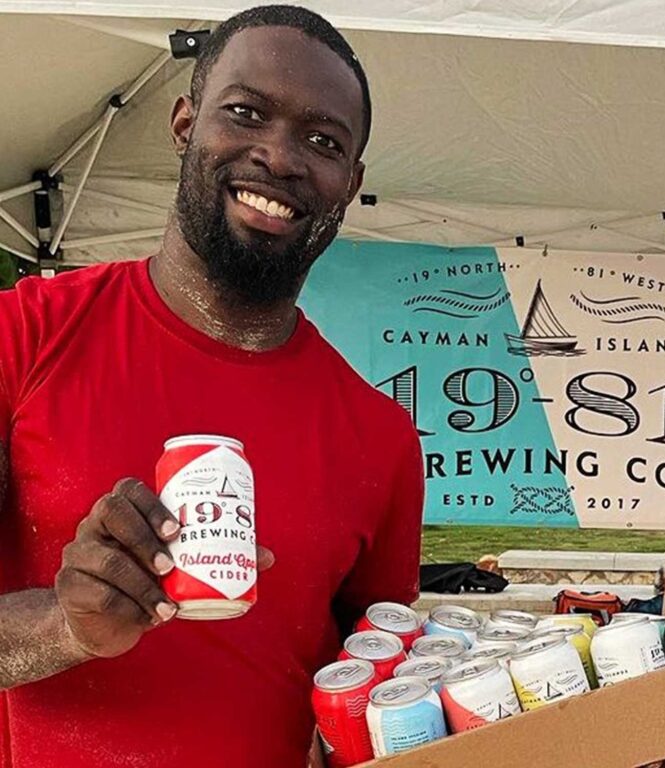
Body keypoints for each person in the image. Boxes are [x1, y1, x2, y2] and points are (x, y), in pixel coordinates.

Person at [0, 6, 424, 767]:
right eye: (245, 113)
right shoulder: (24, 335)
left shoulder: (381, 438)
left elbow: (371, 707)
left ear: (350, 183)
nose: (279, 157)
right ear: (185, 122)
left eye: (323, 141)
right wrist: (63, 626)